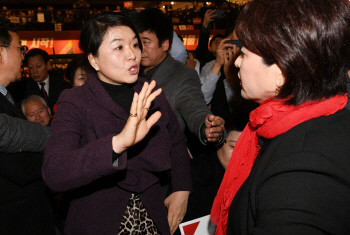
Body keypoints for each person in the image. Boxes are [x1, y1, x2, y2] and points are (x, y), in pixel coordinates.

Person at [42, 12, 192, 235]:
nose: (132, 54)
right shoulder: (75, 100)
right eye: (119, 47)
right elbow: (54, 172)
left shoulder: (150, 92)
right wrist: (118, 144)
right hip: (97, 217)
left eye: (135, 44)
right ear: (93, 60)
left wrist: (182, 188)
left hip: (152, 215)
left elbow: (177, 143)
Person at [211, 0, 350, 234]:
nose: (236, 62)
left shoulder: (304, 166)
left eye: (244, 54)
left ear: (281, 71)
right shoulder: (301, 121)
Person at [135, 8, 225, 148]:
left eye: (146, 42)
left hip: (164, 158)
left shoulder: (182, 75)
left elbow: (194, 108)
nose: (141, 49)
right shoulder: (130, 71)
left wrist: (206, 126)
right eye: (137, 43)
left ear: (165, 44)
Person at [0, 19, 55, 234]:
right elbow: (20, 167)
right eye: (20, 48)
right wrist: (61, 150)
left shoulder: (8, 96)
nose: (24, 54)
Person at [10, 48, 71, 113]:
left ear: (48, 65)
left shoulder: (63, 86)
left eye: (38, 66)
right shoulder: (21, 88)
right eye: (31, 67)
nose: (35, 71)